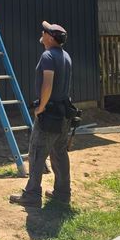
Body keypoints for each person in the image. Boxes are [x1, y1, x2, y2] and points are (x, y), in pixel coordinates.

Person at [9, 20, 73, 209]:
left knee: (36, 152)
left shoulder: (47, 56)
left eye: (45, 31)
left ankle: (32, 195)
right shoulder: (65, 56)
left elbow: (48, 83)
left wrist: (41, 107)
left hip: (50, 114)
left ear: (50, 37)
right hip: (63, 113)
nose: (42, 32)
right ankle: (62, 193)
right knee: (59, 152)